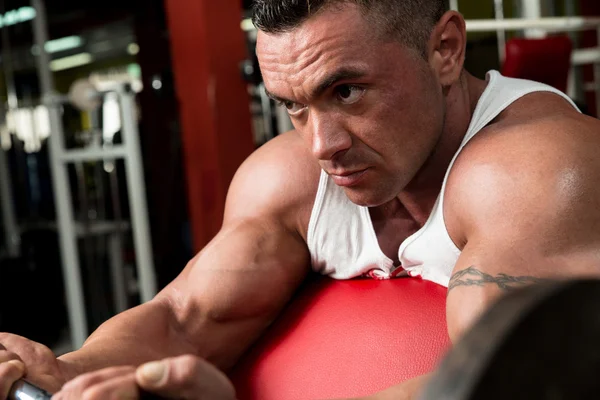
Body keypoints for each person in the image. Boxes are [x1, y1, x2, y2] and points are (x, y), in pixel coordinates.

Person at [3, 0, 600, 399]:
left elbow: (496, 382)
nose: (322, 143)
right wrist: (72, 370)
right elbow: (184, 319)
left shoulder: (540, 169)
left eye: (347, 90)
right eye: (293, 104)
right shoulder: (290, 178)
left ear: (444, 49)